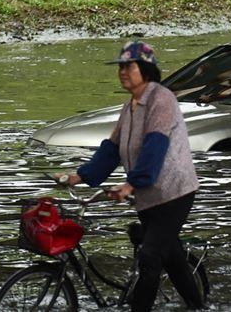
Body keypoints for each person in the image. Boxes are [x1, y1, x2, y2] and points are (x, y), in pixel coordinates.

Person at [55, 41, 203, 312]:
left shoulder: (162, 99)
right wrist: (79, 176)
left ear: (145, 69)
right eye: (120, 67)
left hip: (174, 192)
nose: (122, 71)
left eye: (128, 66)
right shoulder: (130, 107)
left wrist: (131, 183)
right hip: (147, 195)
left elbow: (154, 147)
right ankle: (198, 305)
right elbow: (111, 150)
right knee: (171, 256)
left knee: (149, 257)